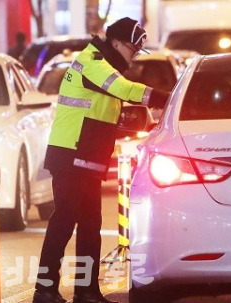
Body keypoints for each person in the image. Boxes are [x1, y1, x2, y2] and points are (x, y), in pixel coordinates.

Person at [33, 17, 168, 303]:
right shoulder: (93, 62)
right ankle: (44, 290)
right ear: (117, 43)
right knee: (65, 221)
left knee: (91, 225)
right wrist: (168, 98)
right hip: (71, 154)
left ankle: (86, 291)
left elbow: (102, 112)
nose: (133, 58)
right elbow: (126, 90)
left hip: (87, 155)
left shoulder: (103, 64)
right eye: (132, 50)